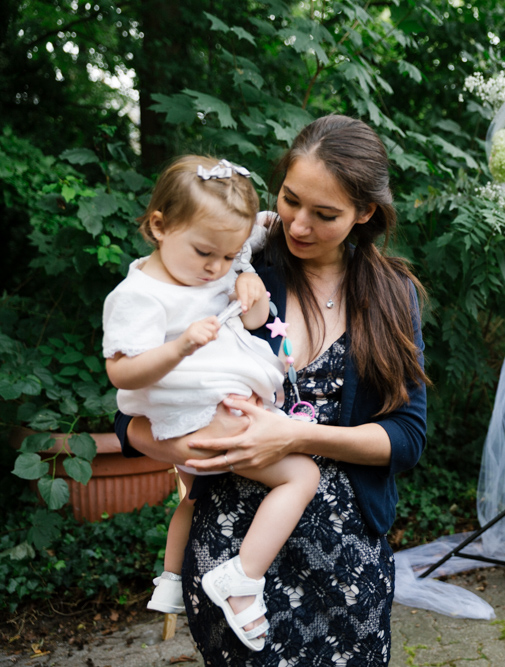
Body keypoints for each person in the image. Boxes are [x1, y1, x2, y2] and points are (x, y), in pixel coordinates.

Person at [114, 115, 428, 665]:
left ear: (365, 213)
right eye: (289, 200)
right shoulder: (229, 259)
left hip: (350, 564)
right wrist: (185, 447)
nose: (298, 225)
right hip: (233, 556)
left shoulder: (392, 294)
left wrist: (292, 436)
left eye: (325, 214)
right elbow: (135, 407)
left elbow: (407, 436)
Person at [102, 155, 320, 651]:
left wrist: (247, 281)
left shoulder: (217, 260)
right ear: (158, 226)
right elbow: (120, 372)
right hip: (201, 410)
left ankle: (172, 579)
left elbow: (258, 260)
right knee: (301, 475)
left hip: (213, 407)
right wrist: (178, 347)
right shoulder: (141, 297)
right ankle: (243, 580)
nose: (215, 268)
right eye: (206, 254)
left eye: (228, 256)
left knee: (196, 493)